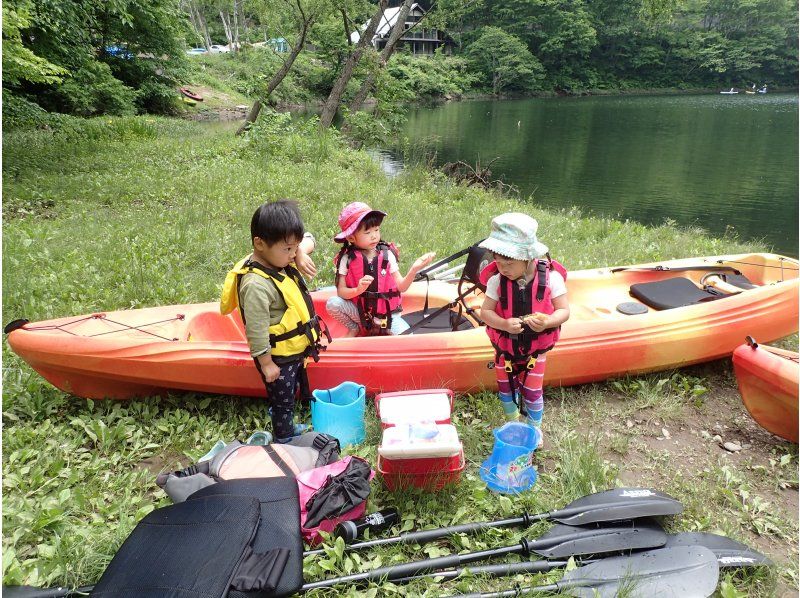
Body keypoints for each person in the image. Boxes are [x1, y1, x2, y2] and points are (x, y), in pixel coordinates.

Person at [220, 200, 328, 443]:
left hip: (292, 351)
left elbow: (310, 239)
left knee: (290, 391)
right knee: (283, 400)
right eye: (287, 249)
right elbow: (256, 332)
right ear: (259, 243)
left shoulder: (279, 256)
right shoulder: (256, 286)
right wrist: (266, 363)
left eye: (294, 249)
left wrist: (299, 252)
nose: (292, 255)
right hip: (277, 357)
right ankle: (284, 437)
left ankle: (287, 424)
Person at [478, 213, 570, 446]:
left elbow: (564, 312)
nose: (503, 268)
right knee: (507, 390)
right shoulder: (496, 281)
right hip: (505, 350)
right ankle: (512, 424)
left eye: (509, 263)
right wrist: (503, 324)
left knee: (532, 391)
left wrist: (548, 322)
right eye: (498, 262)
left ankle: (534, 429)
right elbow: (486, 313)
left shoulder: (552, 279)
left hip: (535, 352)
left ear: (529, 258)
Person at [326, 201, 435, 337]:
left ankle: (383, 330)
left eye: (376, 230)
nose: (374, 236)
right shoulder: (347, 258)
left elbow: (401, 287)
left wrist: (414, 269)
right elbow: (341, 293)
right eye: (367, 232)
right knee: (333, 304)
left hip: (387, 317)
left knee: (408, 338)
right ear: (351, 237)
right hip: (361, 314)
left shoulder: (387, 255)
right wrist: (358, 290)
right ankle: (354, 327)